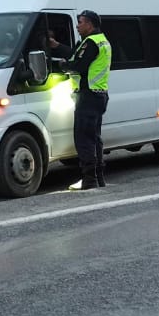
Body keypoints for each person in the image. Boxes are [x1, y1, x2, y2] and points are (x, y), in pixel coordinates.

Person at [48, 10, 112, 190]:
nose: (77, 26)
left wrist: (62, 66)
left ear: (90, 24)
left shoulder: (91, 42)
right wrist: (56, 45)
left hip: (88, 95)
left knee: (84, 138)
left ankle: (89, 179)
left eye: (81, 22)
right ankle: (98, 177)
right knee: (94, 138)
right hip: (99, 95)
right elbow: (76, 54)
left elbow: (78, 65)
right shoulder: (100, 40)